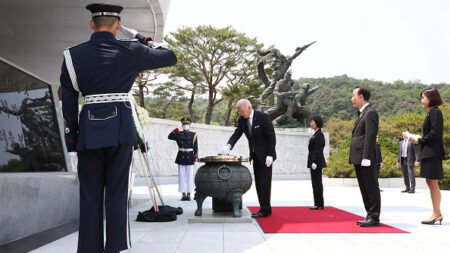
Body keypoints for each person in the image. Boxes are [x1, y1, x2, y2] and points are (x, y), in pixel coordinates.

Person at [60, 3, 177, 252]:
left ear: (91, 24)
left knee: (89, 198)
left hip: (88, 135)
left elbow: (68, 104)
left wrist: (71, 143)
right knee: (117, 196)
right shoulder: (132, 50)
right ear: (117, 26)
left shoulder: (72, 56)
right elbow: (170, 55)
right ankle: (115, 248)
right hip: (120, 132)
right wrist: (138, 37)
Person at [222, 99, 276, 218]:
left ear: (249, 108)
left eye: (242, 111)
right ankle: (263, 208)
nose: (241, 114)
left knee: (265, 183)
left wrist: (270, 155)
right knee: (259, 183)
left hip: (266, 156)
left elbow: (271, 137)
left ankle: (266, 210)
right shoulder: (242, 119)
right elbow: (237, 133)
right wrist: (229, 145)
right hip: (255, 155)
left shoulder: (263, 117)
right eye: (239, 112)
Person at [411, 88, 444, 225]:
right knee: (431, 182)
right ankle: (437, 213)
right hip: (429, 152)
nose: (421, 100)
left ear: (431, 98)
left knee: (433, 183)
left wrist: (420, 140)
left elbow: (435, 133)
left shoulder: (435, 112)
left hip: (433, 153)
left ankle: (437, 213)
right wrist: (419, 139)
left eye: (424, 97)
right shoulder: (431, 113)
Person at [349, 86, 381, 227]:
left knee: (371, 187)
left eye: (354, 95)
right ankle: (369, 214)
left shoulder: (370, 113)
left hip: (365, 158)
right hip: (359, 157)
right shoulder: (362, 113)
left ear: (361, 97)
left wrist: (366, 157)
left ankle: (374, 217)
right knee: (364, 187)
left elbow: (370, 136)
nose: (352, 99)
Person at [168, 117, 198, 201]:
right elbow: (169, 136)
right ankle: (183, 193)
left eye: (187, 124)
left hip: (189, 156)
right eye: (184, 124)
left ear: (189, 125)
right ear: (182, 125)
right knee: (181, 176)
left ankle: (189, 193)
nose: (185, 126)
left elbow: (196, 147)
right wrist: (177, 129)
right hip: (181, 155)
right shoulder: (178, 134)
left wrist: (195, 157)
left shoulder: (193, 134)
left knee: (189, 176)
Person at [307, 116, 327, 210]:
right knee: (315, 183)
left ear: (317, 123)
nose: (311, 124)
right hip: (314, 161)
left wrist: (314, 161)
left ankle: (319, 203)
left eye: (312, 122)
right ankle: (318, 203)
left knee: (317, 183)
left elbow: (318, 149)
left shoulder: (319, 135)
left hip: (317, 162)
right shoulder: (315, 134)